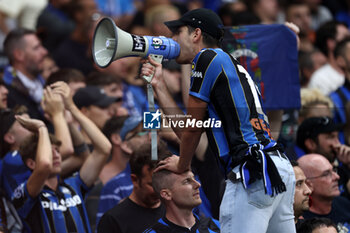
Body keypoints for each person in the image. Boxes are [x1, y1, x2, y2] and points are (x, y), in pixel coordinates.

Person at [140, 7, 296, 233]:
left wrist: (182, 165)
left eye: (178, 32)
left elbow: (192, 131)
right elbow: (187, 132)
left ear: (196, 34)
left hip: (251, 172)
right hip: (275, 168)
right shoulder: (227, 64)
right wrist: (160, 86)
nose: (172, 40)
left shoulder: (206, 57)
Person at [12, 80, 112, 233]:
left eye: (57, 150)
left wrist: (72, 107)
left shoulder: (74, 184)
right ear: (32, 163)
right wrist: (41, 128)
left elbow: (104, 148)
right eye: (50, 151)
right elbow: (44, 165)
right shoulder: (26, 192)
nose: (56, 155)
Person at [97, 143, 170, 233]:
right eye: (152, 185)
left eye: (163, 184)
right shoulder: (113, 220)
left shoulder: (173, 211)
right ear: (135, 180)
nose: (160, 191)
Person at [144, 169, 220, 232]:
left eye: (194, 178)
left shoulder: (216, 225)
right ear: (166, 194)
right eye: (187, 181)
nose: (197, 184)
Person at [298, 154, 350, 230]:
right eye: (326, 174)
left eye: (334, 170)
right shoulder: (303, 223)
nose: (337, 177)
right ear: (308, 184)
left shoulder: (344, 204)